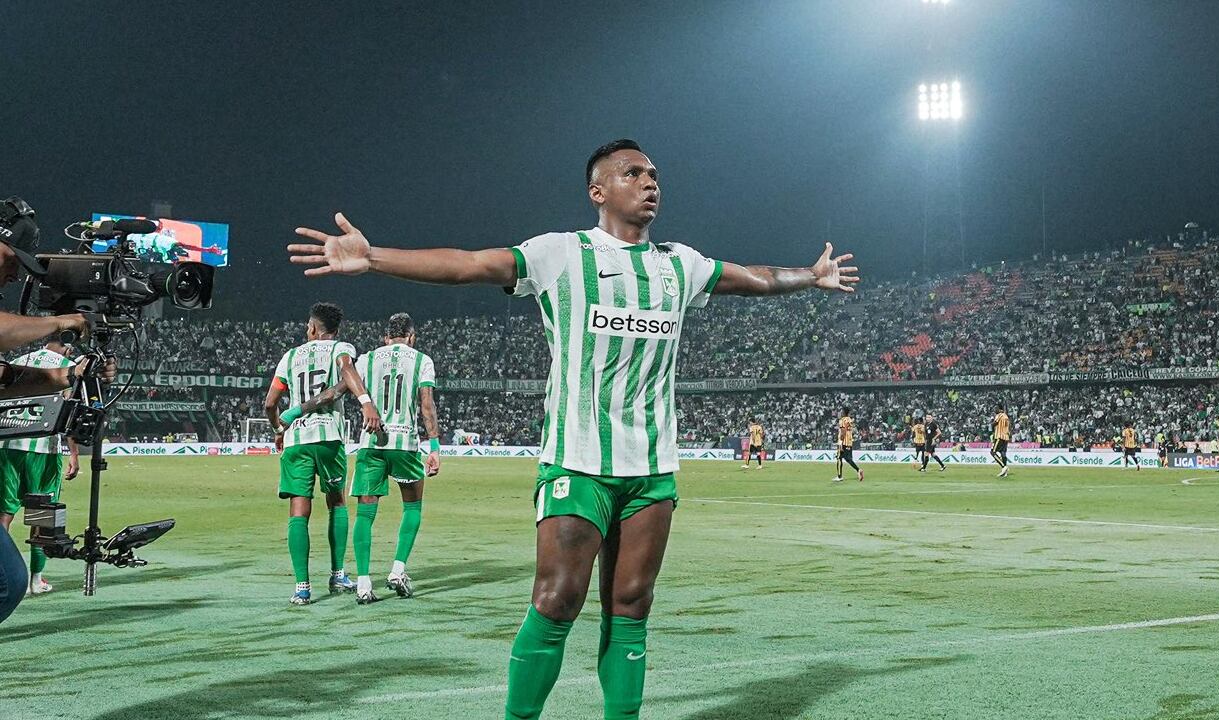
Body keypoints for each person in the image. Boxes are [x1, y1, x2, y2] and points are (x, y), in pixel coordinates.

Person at [288, 138, 859, 720]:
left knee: (632, 603)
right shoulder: (562, 253)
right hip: (576, 459)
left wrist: (810, 277)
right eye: (632, 174)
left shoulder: (678, 265)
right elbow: (471, 264)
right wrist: (374, 256)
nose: (649, 183)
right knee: (558, 598)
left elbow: (755, 278)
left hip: (652, 468)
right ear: (598, 191)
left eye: (654, 175)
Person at [0, 205, 111, 624]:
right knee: (35, 521)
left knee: (8, 573)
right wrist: (61, 320)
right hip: (35, 447)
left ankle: (34, 576)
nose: (16, 277)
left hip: (18, 445)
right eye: (13, 261)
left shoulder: (29, 348)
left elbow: (3, 376)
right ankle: (36, 577)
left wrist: (69, 375)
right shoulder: (27, 328)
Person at [292, 312, 442, 604]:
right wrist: (434, 446)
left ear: (386, 337)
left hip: (371, 443)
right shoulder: (422, 360)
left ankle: (362, 584)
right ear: (411, 337)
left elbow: (337, 391)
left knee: (365, 514)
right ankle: (398, 570)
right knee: (412, 507)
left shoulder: (367, 359)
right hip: (404, 444)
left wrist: (301, 409)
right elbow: (427, 405)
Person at [264, 302, 382, 605]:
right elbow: (346, 369)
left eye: (308, 326)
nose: (306, 329)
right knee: (337, 501)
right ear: (335, 330)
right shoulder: (340, 348)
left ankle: (302, 587)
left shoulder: (289, 357)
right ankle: (337, 573)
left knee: (299, 510)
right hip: (328, 436)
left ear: (314, 328)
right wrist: (366, 401)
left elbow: (269, 403)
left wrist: (279, 428)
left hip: (296, 441)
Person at [0, 341, 80, 596]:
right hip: (43, 448)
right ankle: (35, 580)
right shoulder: (69, 367)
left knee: (4, 513)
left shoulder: (21, 361)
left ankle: (2, 576)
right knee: (42, 515)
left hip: (8, 442)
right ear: (67, 346)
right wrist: (74, 454)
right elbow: (69, 415)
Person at [832, 406, 863, 483]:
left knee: (839, 458)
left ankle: (839, 476)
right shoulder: (849, 419)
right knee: (848, 459)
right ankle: (858, 470)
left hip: (844, 442)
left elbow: (843, 432)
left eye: (841, 411)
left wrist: (840, 443)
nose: (840, 413)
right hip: (849, 441)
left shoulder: (842, 420)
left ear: (843, 412)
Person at [991, 404, 1011, 478]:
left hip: (999, 436)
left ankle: (1004, 467)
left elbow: (994, 424)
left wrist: (991, 424)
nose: (994, 410)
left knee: (993, 452)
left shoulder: (999, 415)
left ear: (1000, 409)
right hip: (1006, 437)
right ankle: (1004, 472)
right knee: (1003, 454)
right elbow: (1009, 426)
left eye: (996, 408)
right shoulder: (1006, 416)